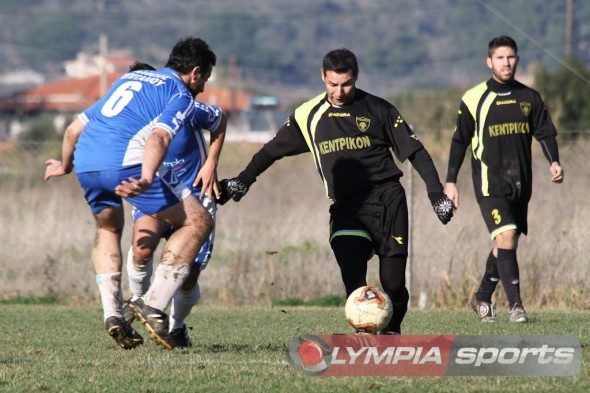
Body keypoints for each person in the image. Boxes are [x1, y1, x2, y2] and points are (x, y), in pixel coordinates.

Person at [218, 48, 454, 335]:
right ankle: (364, 332)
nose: (339, 91)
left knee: (392, 284)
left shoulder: (379, 109)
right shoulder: (309, 116)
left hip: (388, 200)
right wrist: (242, 181)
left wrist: (436, 195)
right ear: (322, 77)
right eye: (333, 84)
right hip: (347, 208)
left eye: (346, 84)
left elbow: (416, 152)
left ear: (355, 78)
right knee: (351, 267)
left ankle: (392, 332)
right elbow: (271, 151)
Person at [44, 37, 218, 349]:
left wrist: (65, 165)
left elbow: (73, 129)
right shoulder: (179, 92)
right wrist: (147, 176)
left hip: (86, 162)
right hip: (126, 163)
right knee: (198, 222)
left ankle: (112, 313)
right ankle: (152, 304)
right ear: (195, 72)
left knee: (108, 227)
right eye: (204, 78)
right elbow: (159, 139)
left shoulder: (129, 77)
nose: (202, 86)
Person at [444, 36, 564, 324]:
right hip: (490, 183)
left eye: (511, 57)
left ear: (517, 60)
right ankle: (516, 307)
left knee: (505, 244)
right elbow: (460, 141)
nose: (506, 63)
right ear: (490, 62)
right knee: (506, 235)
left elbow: (545, 133)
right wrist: (450, 181)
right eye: (500, 58)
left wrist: (555, 162)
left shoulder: (529, 98)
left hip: (522, 183)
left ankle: (482, 296)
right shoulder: (474, 99)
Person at [121, 60, 228, 349]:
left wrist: (211, 164)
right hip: (158, 192)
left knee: (190, 274)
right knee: (142, 248)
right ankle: (140, 304)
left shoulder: (184, 106)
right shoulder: (125, 118)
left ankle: (176, 327)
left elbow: (220, 119)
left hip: (194, 194)